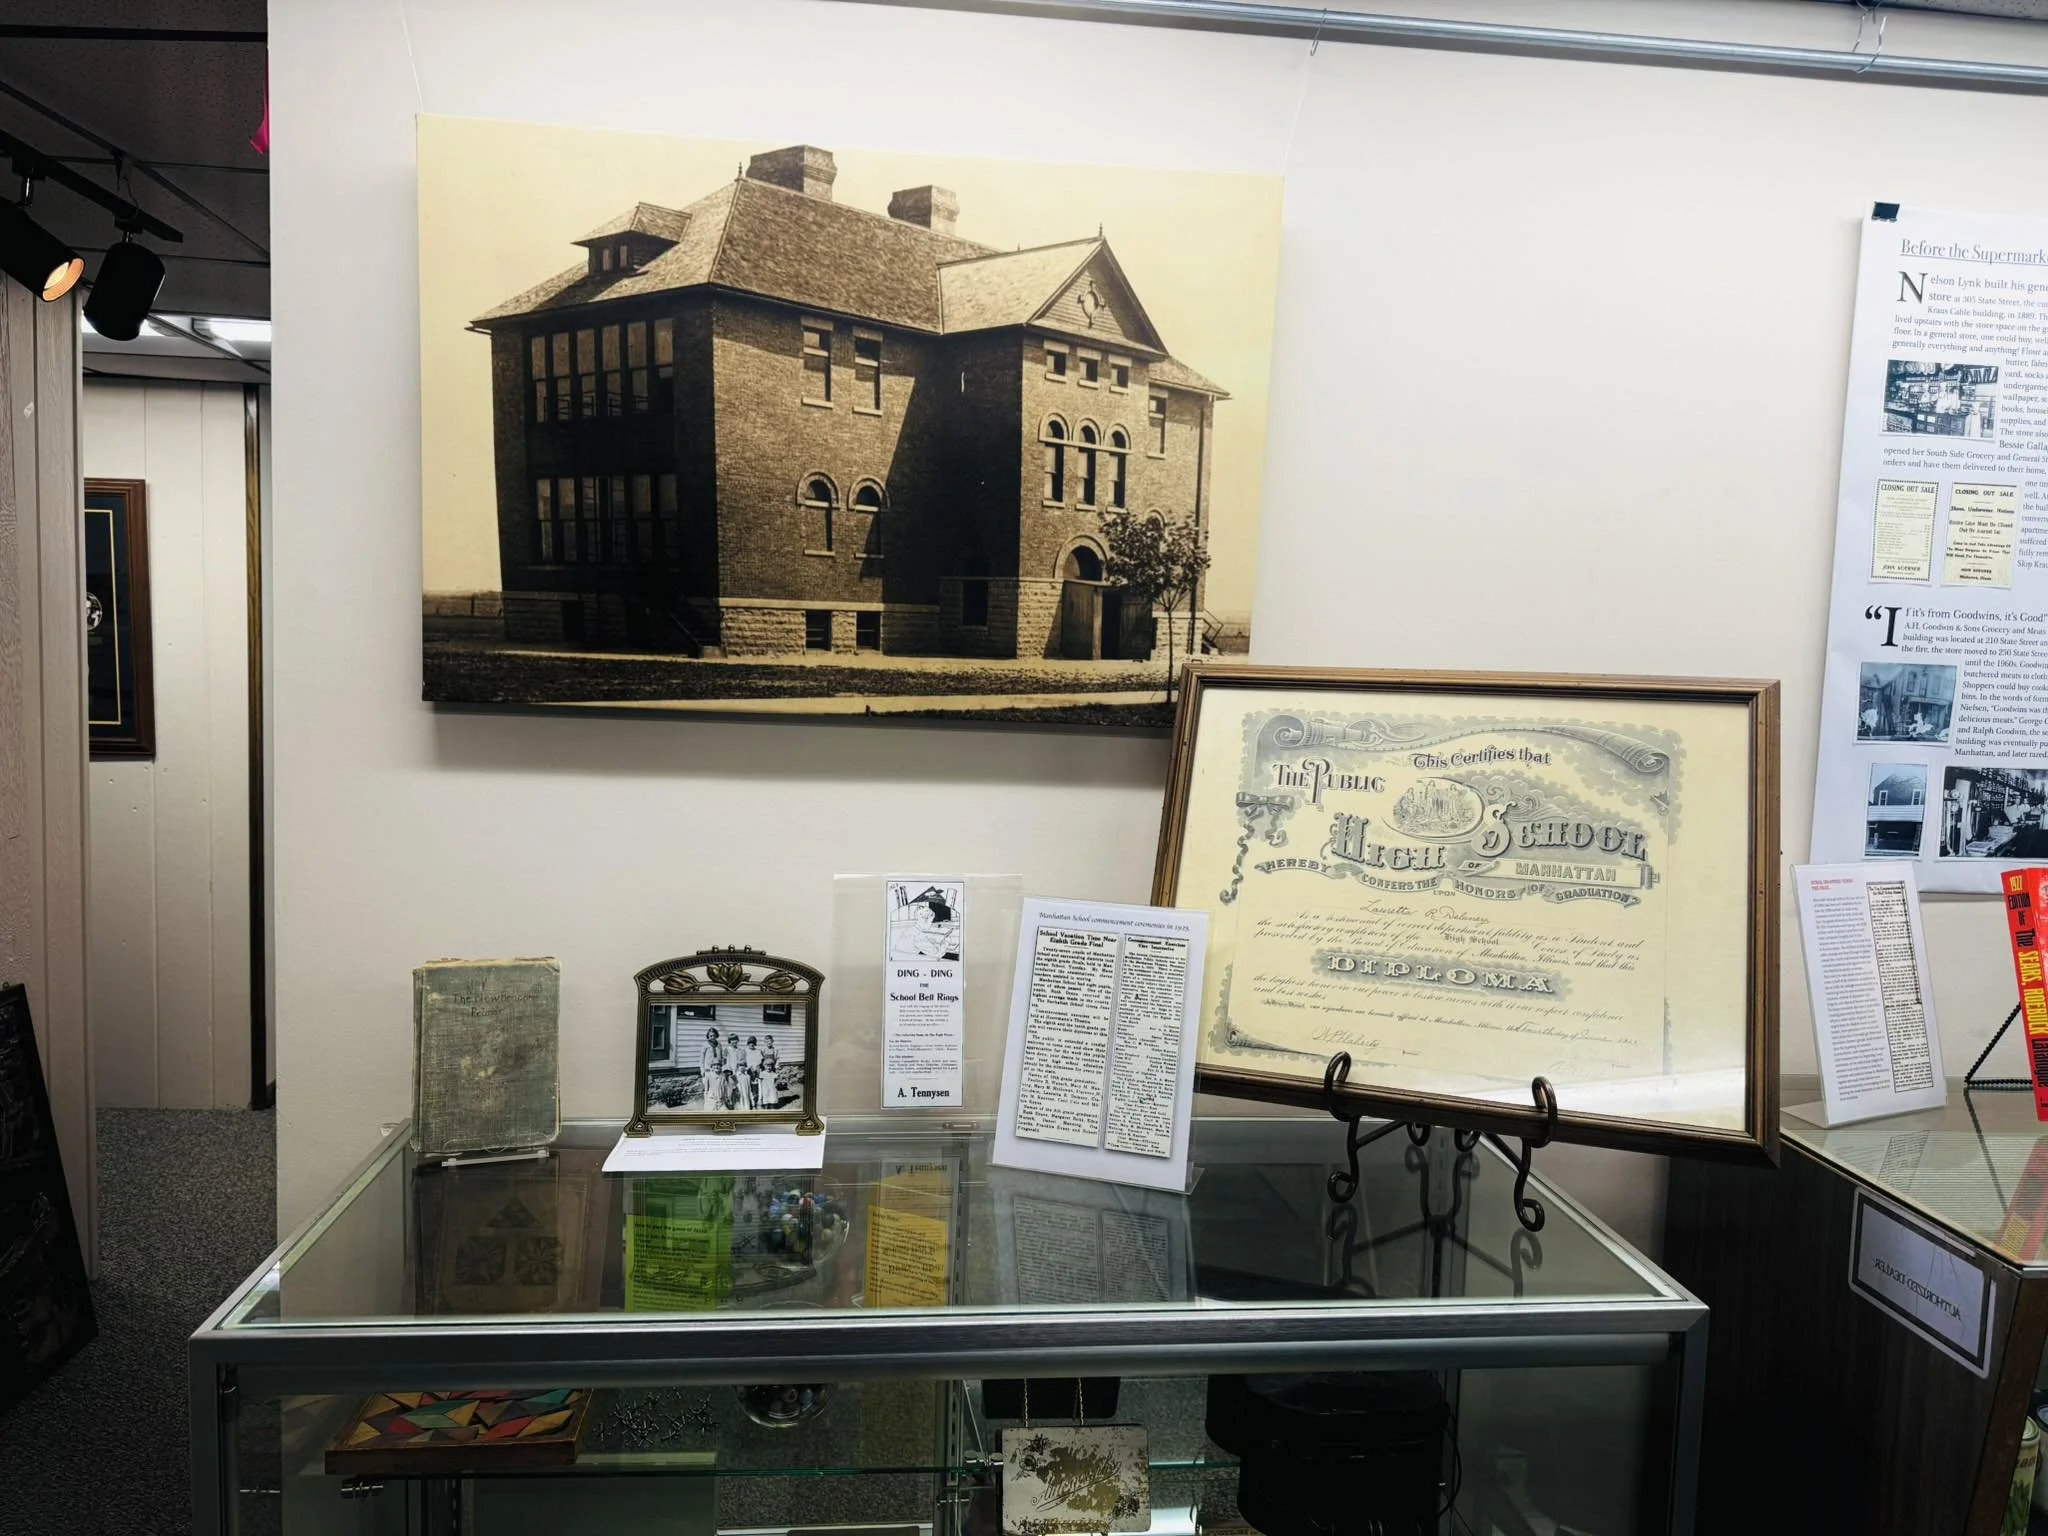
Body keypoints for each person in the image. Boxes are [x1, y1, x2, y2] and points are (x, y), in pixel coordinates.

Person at [698, 1028, 724, 1111]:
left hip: (717, 1070)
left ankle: (717, 1105)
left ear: (716, 1035)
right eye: (710, 1036)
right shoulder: (705, 1045)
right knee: (707, 1089)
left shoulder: (719, 1045)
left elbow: (721, 1057)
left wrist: (722, 1067)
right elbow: (702, 1058)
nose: (712, 1037)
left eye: (714, 1035)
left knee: (717, 1088)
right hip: (708, 1070)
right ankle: (707, 1107)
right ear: (708, 1036)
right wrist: (702, 1069)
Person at [744, 1035, 766, 1109]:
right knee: (750, 1088)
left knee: (759, 1088)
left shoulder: (758, 1051)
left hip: (757, 1072)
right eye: (750, 1043)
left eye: (753, 1043)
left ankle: (759, 1102)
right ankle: (752, 1103)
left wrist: (758, 1068)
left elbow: (762, 1061)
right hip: (749, 1072)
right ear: (748, 1044)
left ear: (755, 1044)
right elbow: (744, 1062)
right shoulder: (745, 1051)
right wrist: (748, 1069)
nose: (751, 1044)